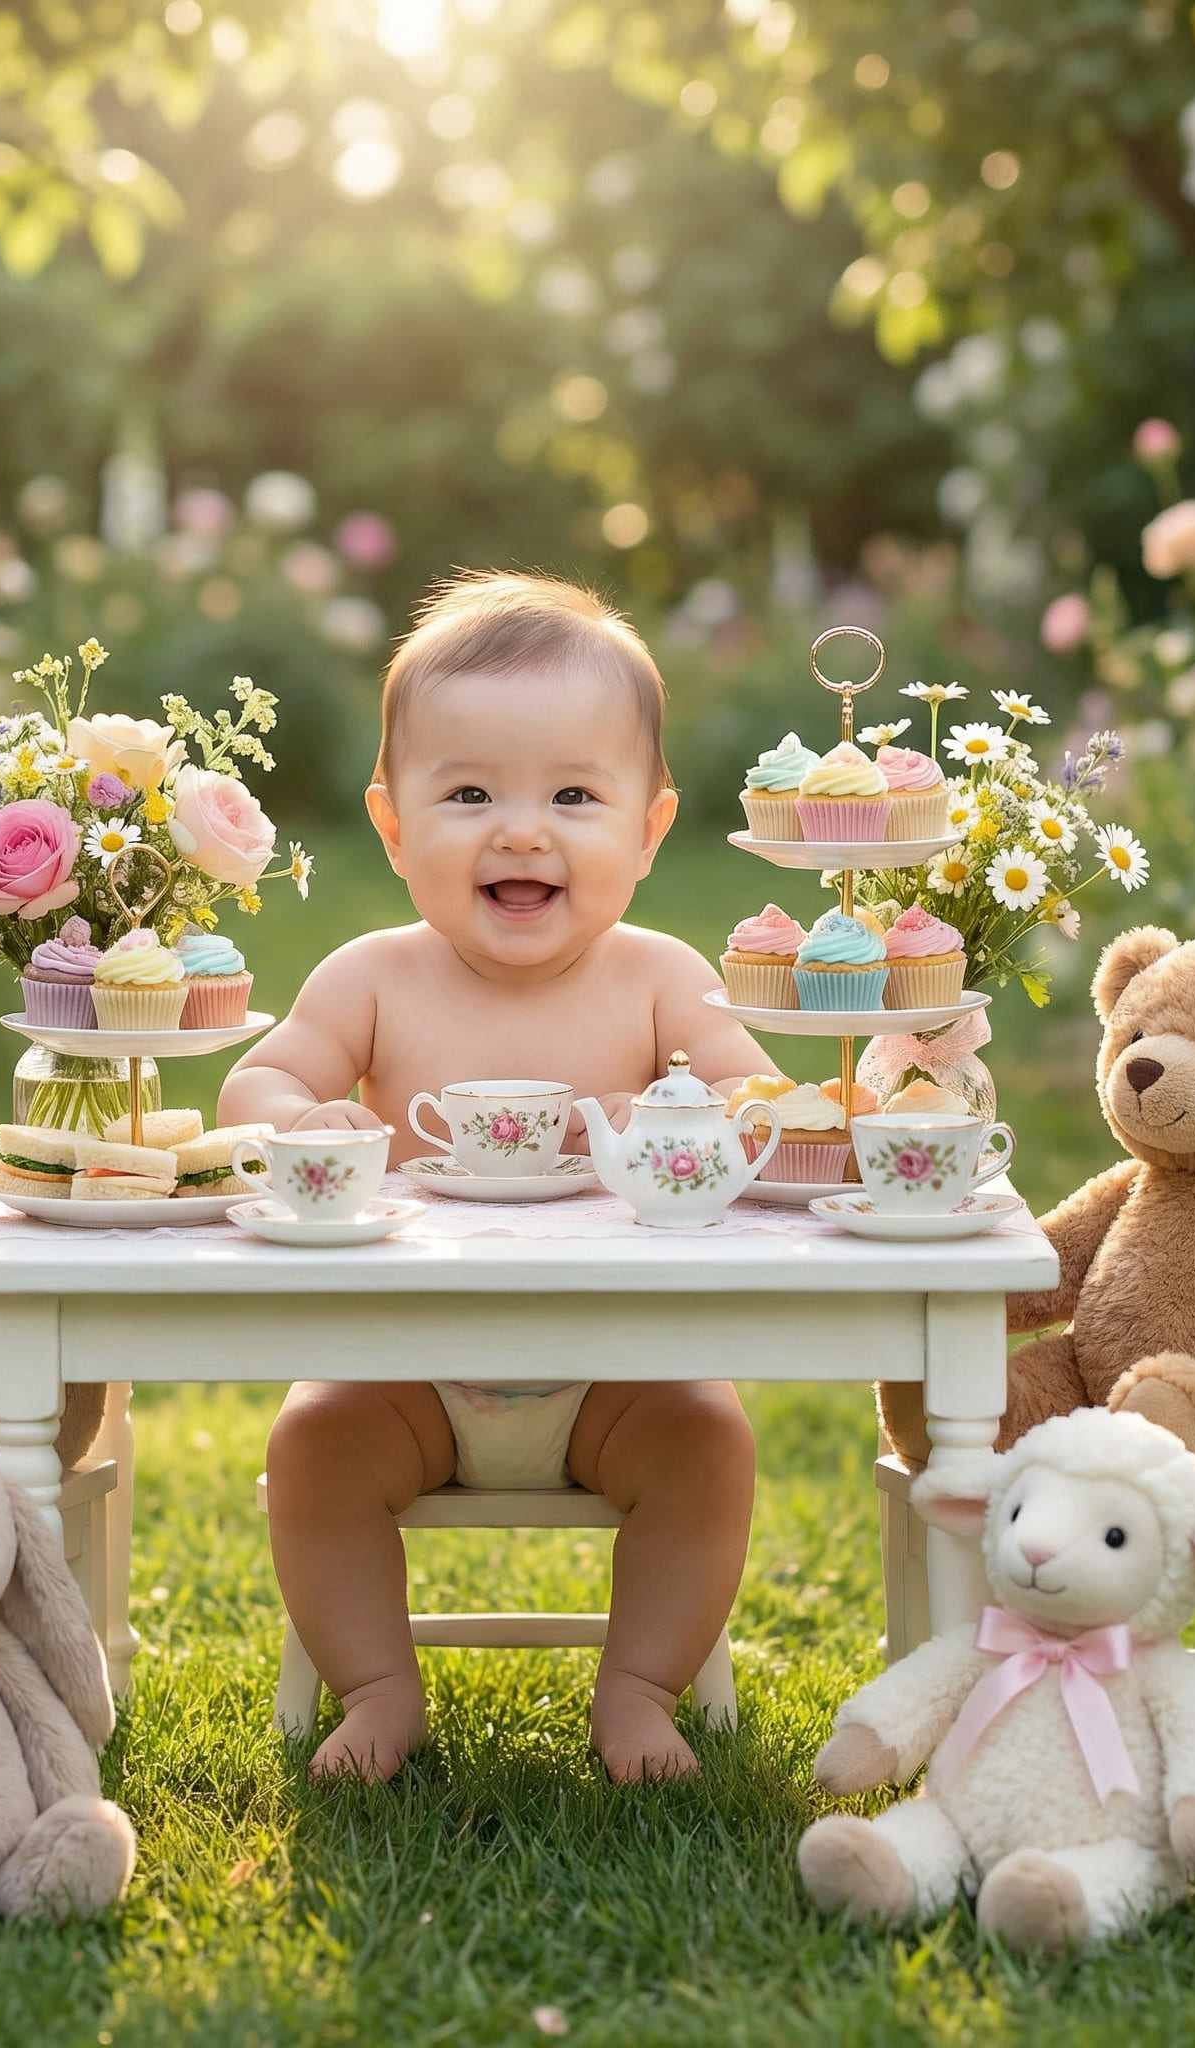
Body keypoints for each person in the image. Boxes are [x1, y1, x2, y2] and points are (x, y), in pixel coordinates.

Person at [222, 572, 768, 1783]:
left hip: (622, 1369)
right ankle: (376, 1686)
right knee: (310, 1447)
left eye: (574, 794)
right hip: (406, 1366)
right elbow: (256, 1085)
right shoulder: (371, 976)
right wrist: (298, 1112)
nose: (521, 830)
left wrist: (679, 1106)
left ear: (647, 827)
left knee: (709, 1445)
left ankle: (634, 1689)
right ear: (393, 825)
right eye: (468, 792)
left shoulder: (659, 979)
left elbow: (758, 1103)